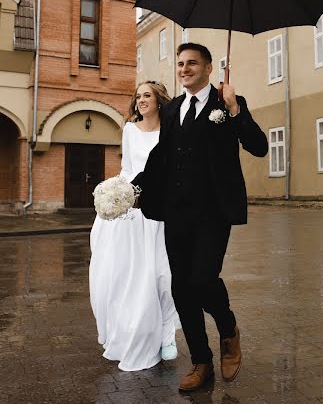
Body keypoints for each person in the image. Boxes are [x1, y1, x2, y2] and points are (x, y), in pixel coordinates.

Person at [134, 43, 268, 391]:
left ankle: (228, 328)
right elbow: (162, 156)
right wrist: (134, 188)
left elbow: (259, 146)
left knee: (203, 279)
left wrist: (235, 109)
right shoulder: (174, 108)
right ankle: (201, 362)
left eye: (192, 63)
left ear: (209, 68)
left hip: (213, 211)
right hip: (176, 211)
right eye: (180, 63)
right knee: (181, 288)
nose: (184, 68)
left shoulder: (227, 104)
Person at [89, 81, 178, 372]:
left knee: (164, 276)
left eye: (147, 95)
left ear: (159, 100)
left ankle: (166, 334)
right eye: (138, 96)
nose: (141, 100)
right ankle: (134, 332)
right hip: (134, 210)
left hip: (163, 209)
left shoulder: (172, 129)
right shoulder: (129, 130)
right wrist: (120, 195)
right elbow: (128, 168)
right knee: (133, 276)